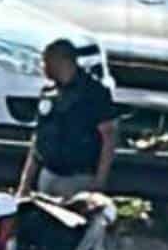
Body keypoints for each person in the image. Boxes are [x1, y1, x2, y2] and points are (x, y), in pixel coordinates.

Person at [16, 40, 118, 199]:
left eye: (46, 61)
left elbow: (109, 137)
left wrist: (99, 182)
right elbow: (38, 139)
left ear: (62, 60)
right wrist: (25, 183)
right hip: (48, 174)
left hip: (78, 179)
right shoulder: (48, 93)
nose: (43, 67)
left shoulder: (94, 93)